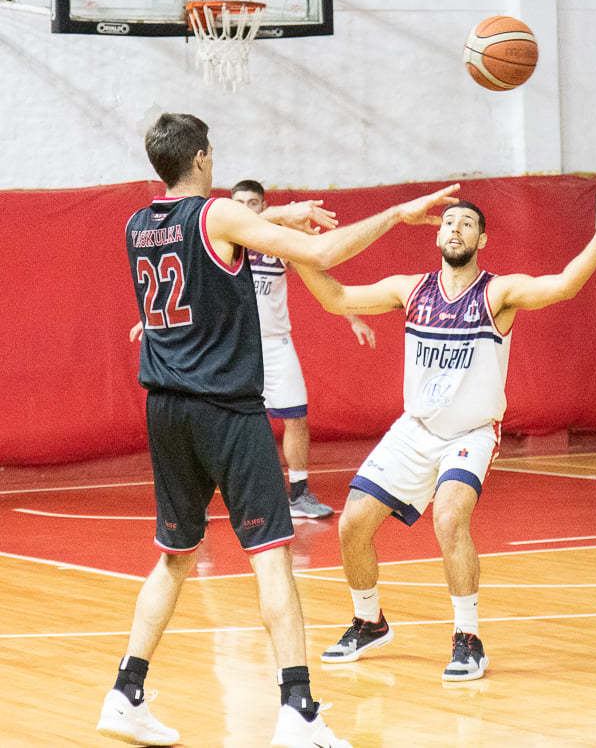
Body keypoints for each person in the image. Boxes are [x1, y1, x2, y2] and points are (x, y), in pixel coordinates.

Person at [97, 112, 458, 748]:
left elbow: (220, 246)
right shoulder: (216, 217)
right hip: (223, 409)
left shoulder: (136, 224)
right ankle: (298, 710)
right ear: (204, 158)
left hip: (164, 407)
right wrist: (399, 214)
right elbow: (319, 254)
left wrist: (280, 215)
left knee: (175, 556)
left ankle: (125, 693)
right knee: (271, 559)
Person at [292, 191, 596, 681]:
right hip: (415, 429)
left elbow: (563, 286)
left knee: (449, 515)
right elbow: (335, 298)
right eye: (449, 222)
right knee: (352, 524)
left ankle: (468, 638)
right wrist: (296, 251)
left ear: (482, 238)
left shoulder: (496, 293)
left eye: (467, 223)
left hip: (471, 432)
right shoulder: (411, 289)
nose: (455, 228)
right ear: (437, 235)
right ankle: (369, 620)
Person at [232, 179, 377, 520]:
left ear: (263, 205)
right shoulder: (222, 243)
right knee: (226, 424)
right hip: (234, 347)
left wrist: (353, 317)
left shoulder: (278, 245)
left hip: (276, 344)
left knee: (296, 418)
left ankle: (298, 495)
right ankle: (208, 498)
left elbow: (322, 281)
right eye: (237, 203)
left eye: (252, 203)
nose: (245, 210)